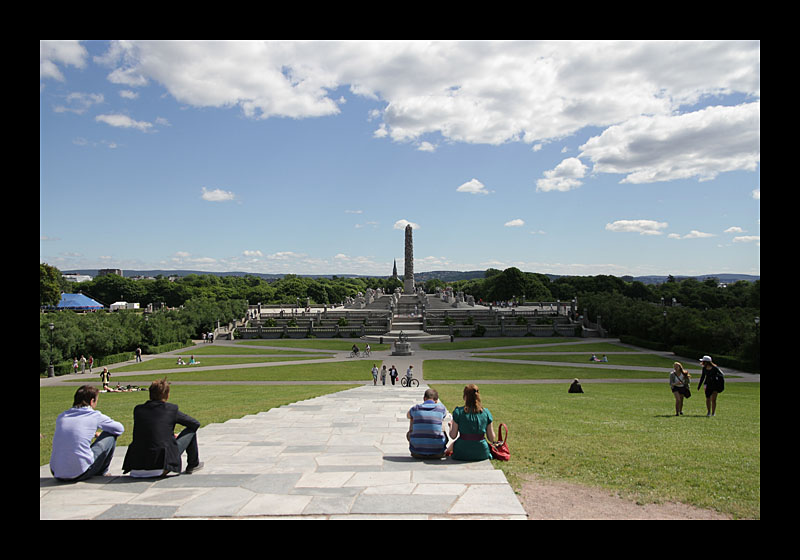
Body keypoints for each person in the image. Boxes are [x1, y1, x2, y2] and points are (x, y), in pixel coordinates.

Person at [122, 378, 203, 477]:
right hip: (160, 466)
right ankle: (193, 464)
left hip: (136, 466)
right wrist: (172, 437)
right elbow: (195, 423)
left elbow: (151, 427)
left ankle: (193, 464)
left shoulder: (138, 410)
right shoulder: (171, 409)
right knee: (191, 430)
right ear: (167, 395)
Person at [50, 385, 124, 482]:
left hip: (56, 471)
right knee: (110, 435)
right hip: (80, 472)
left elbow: (72, 432)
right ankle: (102, 472)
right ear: (91, 401)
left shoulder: (62, 416)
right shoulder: (94, 415)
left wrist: (91, 433)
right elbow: (119, 429)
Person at [449, 384, 496, 461]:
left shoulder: (458, 412)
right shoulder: (486, 413)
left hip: (461, 452)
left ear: (465, 396)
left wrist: (450, 426)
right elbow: (491, 438)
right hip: (482, 452)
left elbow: (453, 435)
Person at [407, 388, 449, 459]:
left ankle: (419, 443)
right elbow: (444, 415)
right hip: (437, 452)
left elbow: (408, 415)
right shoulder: (441, 409)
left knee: (412, 418)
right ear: (436, 400)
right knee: (441, 420)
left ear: (424, 398)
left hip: (416, 452)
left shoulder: (415, 408)